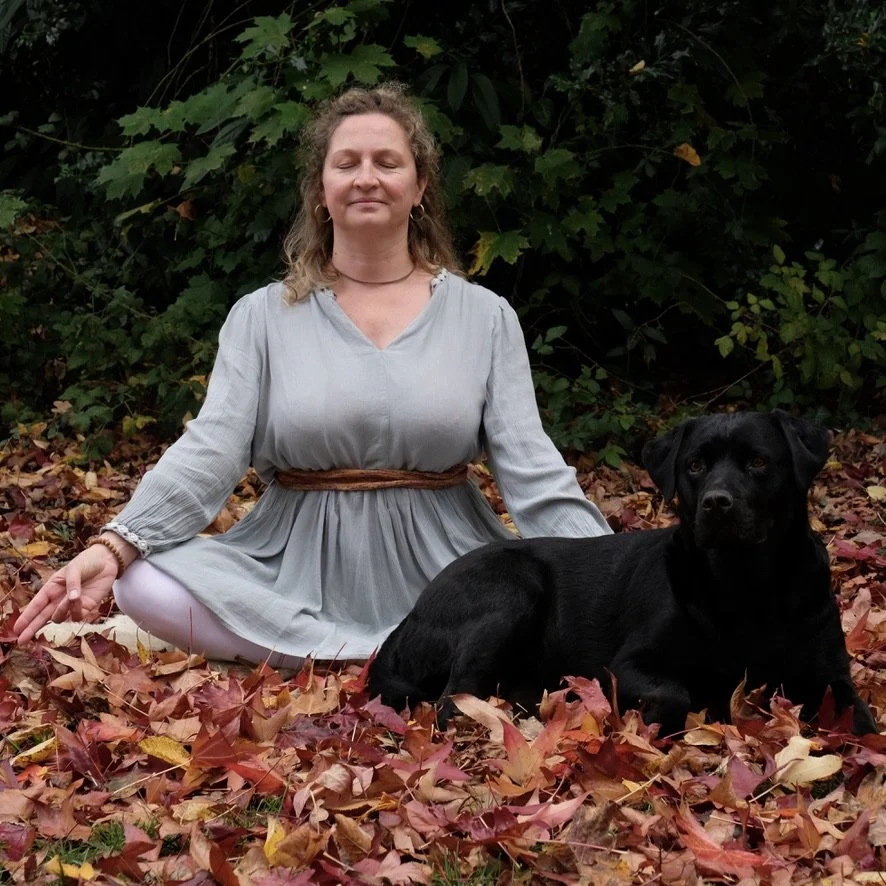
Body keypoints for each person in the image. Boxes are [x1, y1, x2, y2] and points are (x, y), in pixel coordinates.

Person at [13, 84, 611, 666]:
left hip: (449, 567)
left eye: (387, 162)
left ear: (420, 186)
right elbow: (212, 448)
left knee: (533, 598)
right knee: (142, 585)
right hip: (288, 569)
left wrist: (613, 569)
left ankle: (349, 651)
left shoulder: (485, 316)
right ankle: (390, 653)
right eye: (346, 163)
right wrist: (116, 543)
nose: (366, 177)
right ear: (322, 191)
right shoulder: (261, 316)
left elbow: (531, 465)